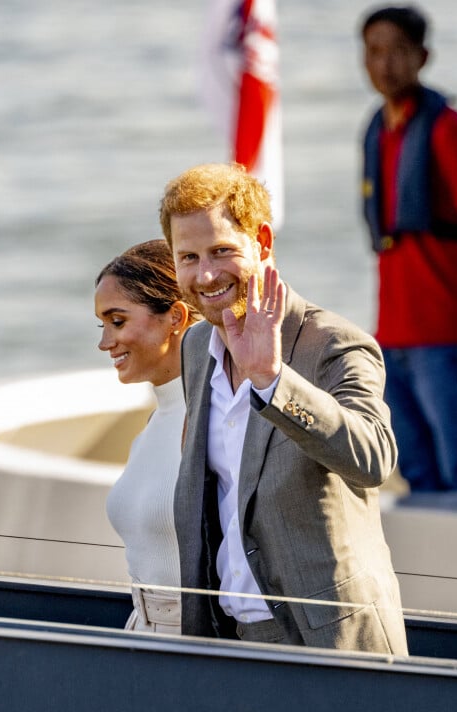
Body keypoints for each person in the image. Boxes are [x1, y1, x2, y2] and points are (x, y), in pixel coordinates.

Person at [159, 162, 408, 653]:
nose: (205, 274)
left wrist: (273, 380)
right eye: (188, 257)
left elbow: (376, 457)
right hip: (227, 639)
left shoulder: (334, 342)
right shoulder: (195, 347)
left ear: (263, 242)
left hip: (332, 645)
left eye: (222, 251)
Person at [359, 4, 457, 492]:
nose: (385, 65)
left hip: (445, 331)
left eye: (398, 51)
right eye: (375, 52)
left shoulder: (449, 129)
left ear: (423, 56)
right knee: (416, 468)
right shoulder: (379, 129)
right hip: (392, 333)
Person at [95, 239, 200, 634]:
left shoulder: (218, 423)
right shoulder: (152, 428)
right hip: (139, 636)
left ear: (175, 317)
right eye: (102, 325)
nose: (105, 342)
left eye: (117, 322)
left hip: (202, 647)